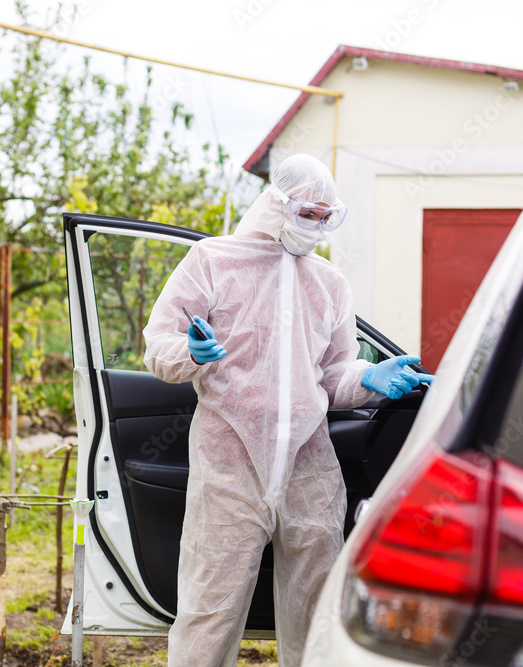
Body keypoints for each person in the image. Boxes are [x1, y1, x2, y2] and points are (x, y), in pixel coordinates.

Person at [143, 154, 433, 667]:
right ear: (278, 202)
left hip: (309, 468)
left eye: (327, 217)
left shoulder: (329, 283)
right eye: (309, 214)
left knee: (317, 609)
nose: (317, 227)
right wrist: (190, 353)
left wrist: (367, 377)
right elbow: (158, 344)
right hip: (230, 465)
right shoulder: (213, 261)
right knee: (210, 609)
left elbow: (332, 374)